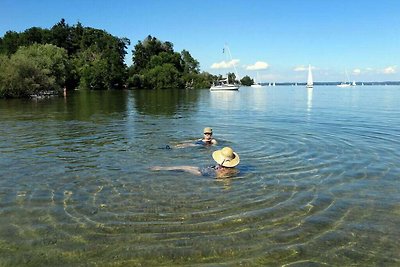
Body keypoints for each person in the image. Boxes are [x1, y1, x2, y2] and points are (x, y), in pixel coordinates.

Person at [151, 146, 240, 178]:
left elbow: (219, 177)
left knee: (183, 168)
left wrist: (220, 172)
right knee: (184, 167)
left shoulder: (227, 171)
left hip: (204, 173)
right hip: (206, 169)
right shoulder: (232, 169)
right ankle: (163, 168)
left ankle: (162, 169)